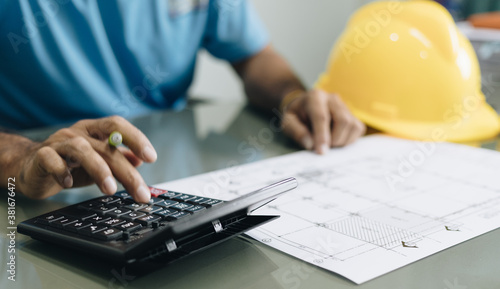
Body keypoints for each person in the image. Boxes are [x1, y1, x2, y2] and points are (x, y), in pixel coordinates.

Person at [0, 0, 365, 203]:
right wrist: (20, 156)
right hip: (31, 191)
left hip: (175, 184)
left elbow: (253, 57)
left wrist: (293, 96)